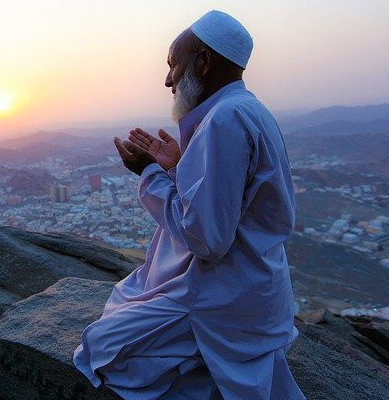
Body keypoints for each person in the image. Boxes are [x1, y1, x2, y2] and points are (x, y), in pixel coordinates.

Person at [73, 9, 305, 400]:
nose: (168, 80)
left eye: (172, 66)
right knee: (123, 302)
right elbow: (231, 202)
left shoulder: (223, 122)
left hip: (221, 296)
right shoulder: (247, 110)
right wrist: (180, 167)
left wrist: (149, 174)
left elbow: (207, 239)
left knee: (101, 349)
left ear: (204, 61)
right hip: (254, 290)